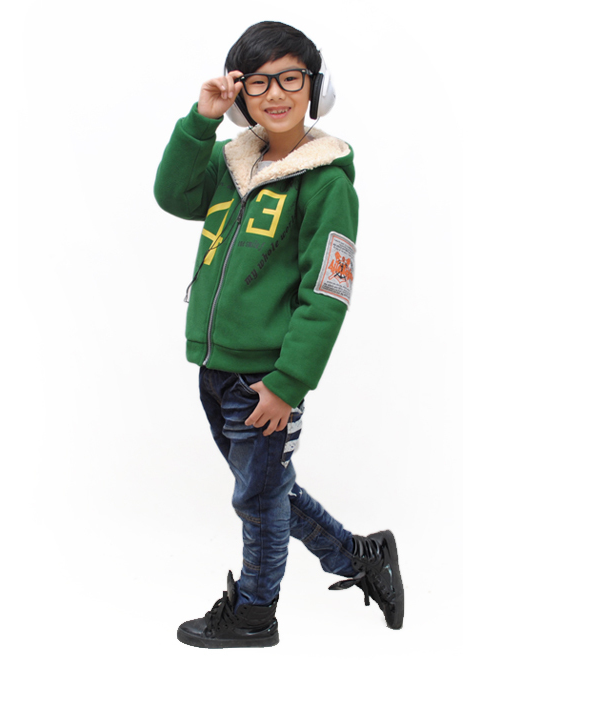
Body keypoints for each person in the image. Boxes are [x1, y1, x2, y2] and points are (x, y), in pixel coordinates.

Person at [154, 21, 404, 649]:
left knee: (259, 502)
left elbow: (328, 291)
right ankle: (361, 556)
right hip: (215, 368)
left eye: (291, 79)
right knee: (265, 490)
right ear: (241, 92)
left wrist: (288, 383)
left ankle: (254, 614)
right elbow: (172, 194)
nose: (276, 94)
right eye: (259, 82)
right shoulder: (231, 163)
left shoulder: (327, 183)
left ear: (316, 87)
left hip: (266, 377)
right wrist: (202, 120)